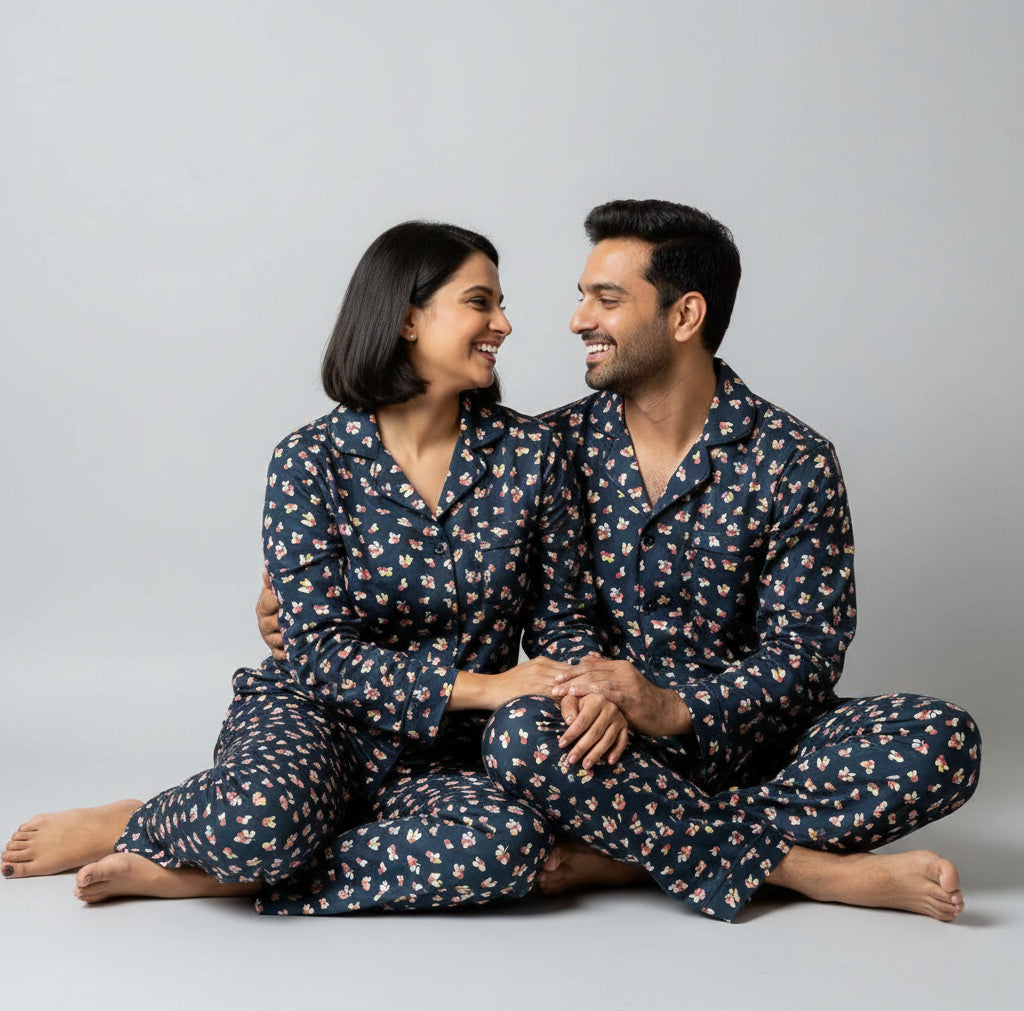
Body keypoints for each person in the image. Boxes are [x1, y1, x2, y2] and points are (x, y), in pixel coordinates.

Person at [255, 201, 982, 923]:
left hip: (756, 743)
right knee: (521, 737)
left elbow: (808, 655)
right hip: (604, 745)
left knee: (941, 739)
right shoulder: (547, 448)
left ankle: (627, 854)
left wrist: (679, 708)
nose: (578, 320)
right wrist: (294, 604)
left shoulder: (793, 461)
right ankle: (797, 868)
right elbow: (495, 594)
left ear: (685, 316)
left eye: (606, 300)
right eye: (583, 297)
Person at [1, 221, 627, 914]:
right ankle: (143, 820)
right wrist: (488, 687)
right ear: (407, 318)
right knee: (263, 814)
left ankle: (232, 871)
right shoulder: (308, 460)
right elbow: (319, 652)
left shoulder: (531, 454)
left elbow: (564, 617)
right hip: (315, 718)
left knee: (514, 845)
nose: (503, 324)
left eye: (501, 305)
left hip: (445, 751)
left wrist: (586, 685)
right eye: (480, 303)